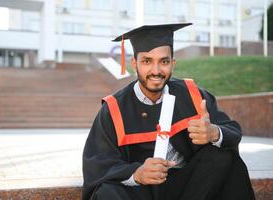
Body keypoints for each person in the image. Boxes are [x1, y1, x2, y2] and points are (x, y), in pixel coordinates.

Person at [82, 23, 255, 200]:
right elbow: (98, 163)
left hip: (188, 188)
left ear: (173, 63)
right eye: (147, 61)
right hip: (139, 191)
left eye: (164, 61)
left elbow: (232, 131)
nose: (156, 71)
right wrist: (136, 173)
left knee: (224, 156)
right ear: (134, 63)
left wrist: (213, 133)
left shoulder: (192, 94)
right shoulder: (114, 108)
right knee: (107, 192)